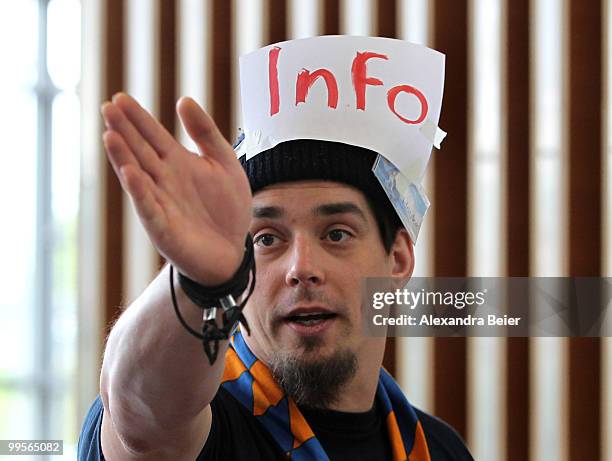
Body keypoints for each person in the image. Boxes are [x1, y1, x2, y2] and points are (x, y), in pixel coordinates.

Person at [78, 37, 474, 460]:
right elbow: (139, 415)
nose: (300, 267)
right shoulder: (207, 425)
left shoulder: (438, 447)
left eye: (336, 234)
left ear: (397, 260)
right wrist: (199, 282)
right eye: (266, 238)